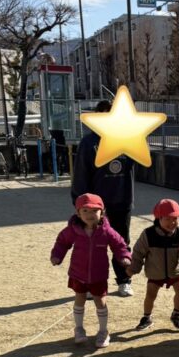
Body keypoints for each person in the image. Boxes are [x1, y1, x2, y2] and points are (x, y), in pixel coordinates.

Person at [71, 100, 136, 297]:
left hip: (121, 200)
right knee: (94, 244)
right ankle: (92, 283)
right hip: (96, 206)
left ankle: (124, 280)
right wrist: (80, 202)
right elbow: (81, 174)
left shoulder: (127, 140)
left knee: (121, 242)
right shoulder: (89, 143)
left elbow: (139, 160)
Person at [50, 192, 131, 348]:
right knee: (79, 299)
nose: (90, 215)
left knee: (100, 301)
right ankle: (79, 329)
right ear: (78, 213)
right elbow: (62, 242)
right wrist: (57, 256)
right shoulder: (73, 230)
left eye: (94, 210)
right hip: (78, 273)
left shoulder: (107, 231)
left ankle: (103, 331)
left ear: (102, 212)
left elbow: (120, 244)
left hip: (98, 274)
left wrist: (124, 257)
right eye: (85, 210)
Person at [129, 198, 179, 331]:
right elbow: (138, 252)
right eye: (167, 219)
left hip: (175, 270)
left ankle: (176, 314)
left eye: (175, 218)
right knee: (151, 293)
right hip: (155, 271)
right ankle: (147, 317)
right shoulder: (148, 234)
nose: (172, 222)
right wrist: (134, 268)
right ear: (158, 218)